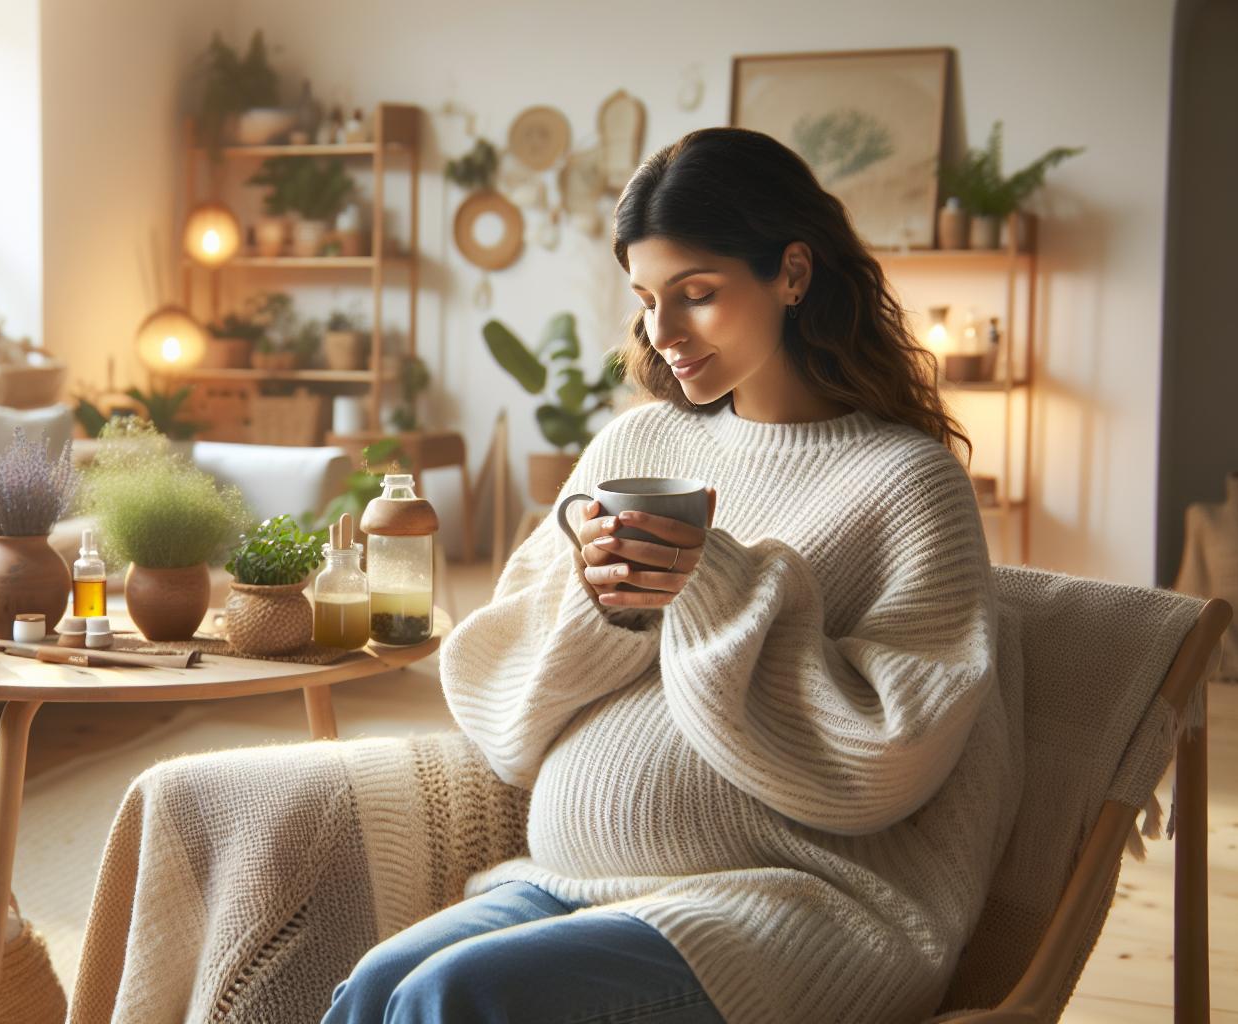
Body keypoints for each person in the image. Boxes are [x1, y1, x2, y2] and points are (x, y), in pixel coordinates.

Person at [322, 127, 1016, 1023]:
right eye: (647, 298)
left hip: (783, 902)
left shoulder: (907, 481)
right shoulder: (636, 442)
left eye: (698, 294)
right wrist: (603, 600)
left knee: (453, 995)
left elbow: (892, 754)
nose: (665, 332)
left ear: (793, 275)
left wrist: (712, 581)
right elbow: (498, 690)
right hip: (574, 881)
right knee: (380, 983)